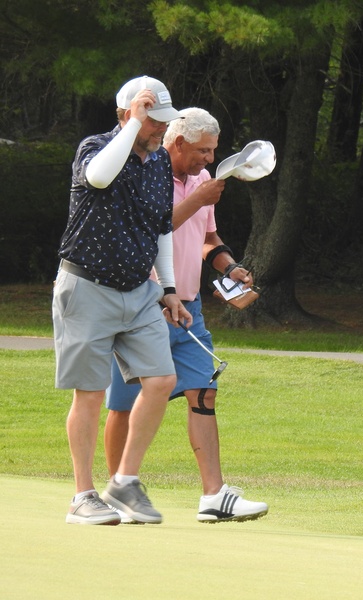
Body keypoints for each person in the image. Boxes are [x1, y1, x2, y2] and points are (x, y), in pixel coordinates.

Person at [104, 107, 269, 523]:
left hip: (189, 308)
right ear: (178, 143)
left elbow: (206, 238)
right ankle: (119, 491)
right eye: (202, 151)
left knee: (204, 392)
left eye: (213, 151)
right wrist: (198, 199)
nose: (209, 159)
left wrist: (230, 267)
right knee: (124, 403)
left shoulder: (201, 180)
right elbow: (147, 232)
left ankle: (214, 496)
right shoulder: (146, 173)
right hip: (142, 305)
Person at [55, 75, 192, 526]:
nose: (162, 128)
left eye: (163, 121)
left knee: (161, 379)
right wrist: (133, 124)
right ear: (128, 114)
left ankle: (124, 482)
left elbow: (161, 228)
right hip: (87, 286)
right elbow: (99, 177)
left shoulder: (159, 162)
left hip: (139, 291)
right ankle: (82, 496)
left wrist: (168, 289)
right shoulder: (95, 147)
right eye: (154, 120)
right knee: (91, 393)